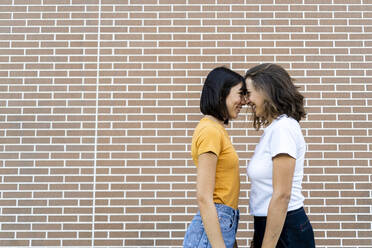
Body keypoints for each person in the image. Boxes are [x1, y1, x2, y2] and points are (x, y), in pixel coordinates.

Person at [244, 63, 315, 248]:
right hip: (274, 226)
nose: (247, 100)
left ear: (266, 91)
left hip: (286, 229)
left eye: (249, 92)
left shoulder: (283, 129)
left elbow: (282, 195)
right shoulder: (274, 129)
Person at [183, 67, 247, 248]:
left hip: (221, 222)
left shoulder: (216, 129)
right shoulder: (210, 130)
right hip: (212, 227)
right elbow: (204, 196)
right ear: (222, 93)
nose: (244, 101)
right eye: (240, 94)